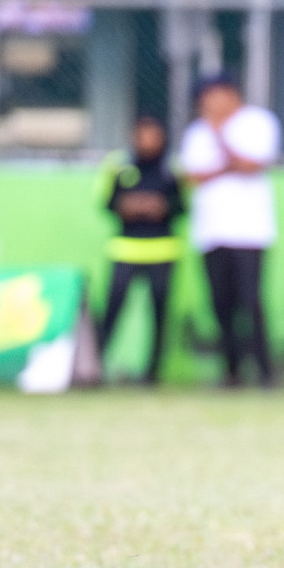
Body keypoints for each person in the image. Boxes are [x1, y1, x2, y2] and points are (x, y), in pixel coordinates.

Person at [178, 74, 281, 387]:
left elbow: (253, 165)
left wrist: (221, 138)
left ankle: (264, 371)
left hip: (250, 231)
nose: (207, 104)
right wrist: (226, 167)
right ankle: (232, 371)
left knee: (250, 301)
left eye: (212, 96)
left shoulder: (257, 123)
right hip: (210, 231)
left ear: (231, 94)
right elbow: (191, 177)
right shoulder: (196, 132)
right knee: (220, 303)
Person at [98, 115, 184, 384]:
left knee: (159, 313)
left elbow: (182, 207)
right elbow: (107, 203)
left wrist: (161, 207)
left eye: (153, 134)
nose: (147, 140)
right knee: (112, 310)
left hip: (162, 251)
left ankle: (153, 372)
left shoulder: (172, 169)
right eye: (141, 134)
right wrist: (130, 206)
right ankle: (94, 366)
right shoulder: (119, 167)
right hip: (126, 251)